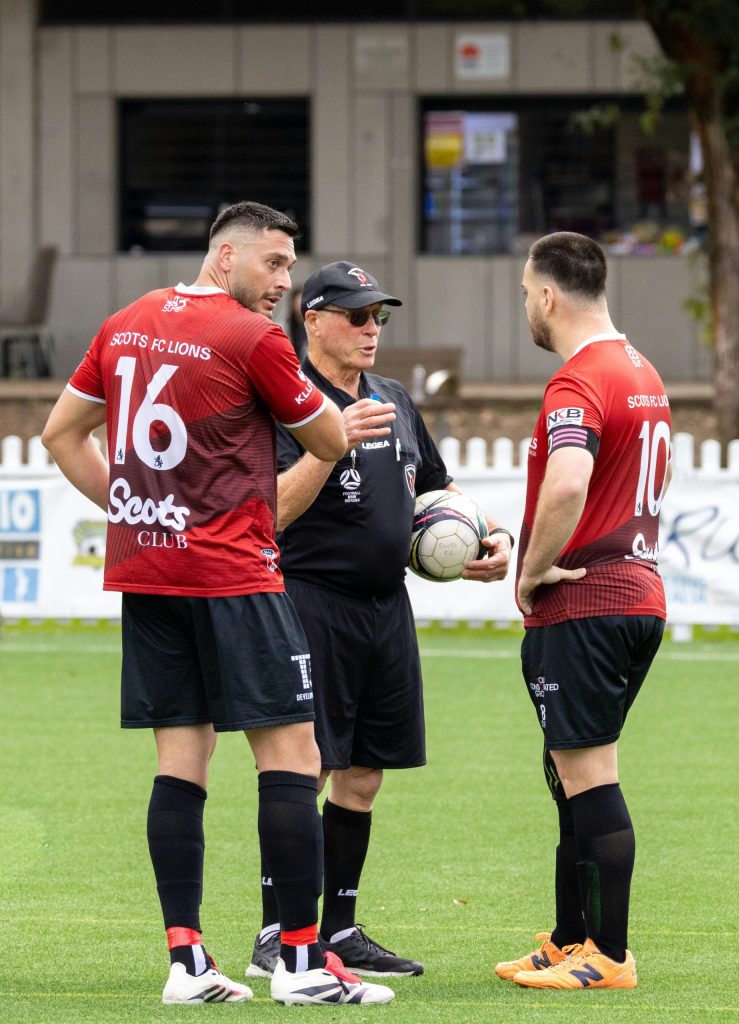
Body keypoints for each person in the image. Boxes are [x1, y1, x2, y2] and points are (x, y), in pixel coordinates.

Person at [41, 203, 396, 1008]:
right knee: (294, 758)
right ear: (225, 255)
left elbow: (62, 435)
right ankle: (302, 966)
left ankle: (187, 962)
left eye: (289, 265)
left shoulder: (125, 322)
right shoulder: (251, 338)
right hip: (234, 574)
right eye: (273, 263)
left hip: (150, 572)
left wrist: (139, 511)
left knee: (181, 763)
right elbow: (331, 442)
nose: (283, 282)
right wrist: (338, 427)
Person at [246, 260, 513, 980]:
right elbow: (267, 514)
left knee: (364, 775)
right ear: (313, 321)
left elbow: (436, 485)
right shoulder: (287, 399)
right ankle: (279, 930)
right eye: (358, 316)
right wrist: (329, 444)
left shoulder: (393, 398)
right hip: (308, 601)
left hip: (386, 608)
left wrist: (485, 533)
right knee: (307, 767)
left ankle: (339, 929)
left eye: (380, 317)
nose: (371, 330)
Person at [495, 232, 672, 990]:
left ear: (546, 296)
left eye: (523, 296)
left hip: (588, 602)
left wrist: (532, 572)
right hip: (637, 594)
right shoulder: (641, 369)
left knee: (590, 776)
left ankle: (609, 954)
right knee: (569, 771)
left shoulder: (578, 381)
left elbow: (569, 483)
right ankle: (572, 937)